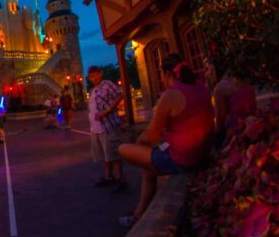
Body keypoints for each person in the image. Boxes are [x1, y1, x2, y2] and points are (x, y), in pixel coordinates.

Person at [117, 54, 215, 227]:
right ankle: (139, 213)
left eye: (161, 74)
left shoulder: (171, 95)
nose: (161, 78)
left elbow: (150, 136)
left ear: (168, 73)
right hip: (203, 152)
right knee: (149, 170)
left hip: (184, 159)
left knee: (123, 149)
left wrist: (138, 143)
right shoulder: (201, 87)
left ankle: (137, 214)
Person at [87, 65, 127, 194]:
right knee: (106, 154)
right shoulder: (93, 90)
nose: (93, 78)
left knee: (113, 153)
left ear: (100, 74)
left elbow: (119, 95)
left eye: (95, 74)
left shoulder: (107, 84)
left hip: (108, 125)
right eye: (91, 76)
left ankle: (120, 179)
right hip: (96, 128)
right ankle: (108, 177)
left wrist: (107, 111)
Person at [213, 71, 256, 146]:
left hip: (235, 134)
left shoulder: (220, 88)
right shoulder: (247, 80)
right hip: (253, 127)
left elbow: (220, 119)